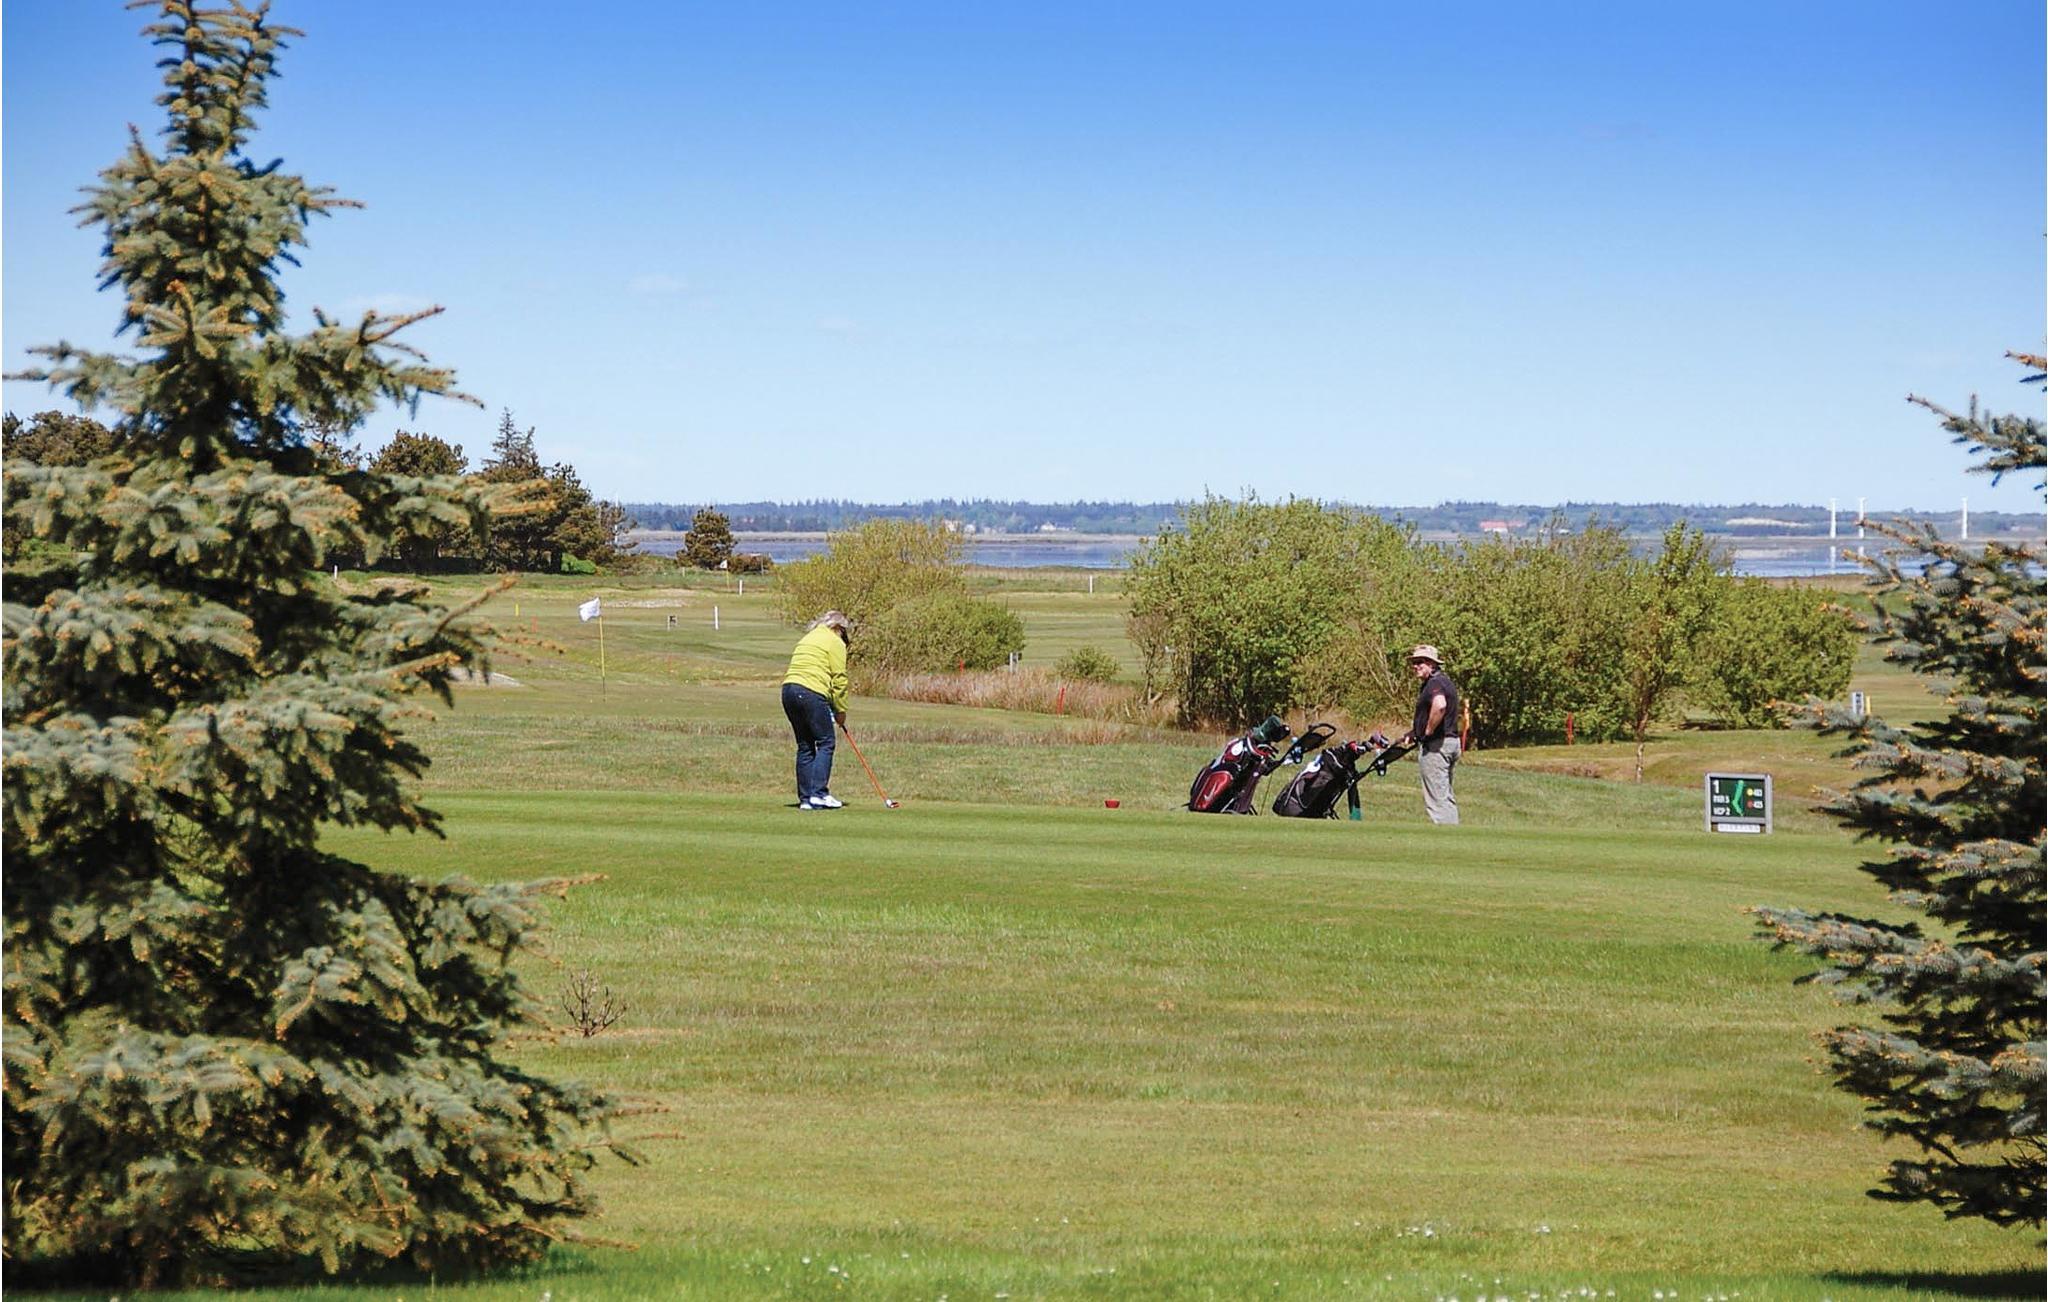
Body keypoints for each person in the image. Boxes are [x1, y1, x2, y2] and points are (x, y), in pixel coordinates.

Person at [781, 611, 851, 810]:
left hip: (788, 691)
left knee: (805, 745)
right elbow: (839, 679)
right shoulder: (834, 642)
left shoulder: (808, 637)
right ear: (838, 628)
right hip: (810, 691)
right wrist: (841, 710)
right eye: (843, 632)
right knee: (826, 742)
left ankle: (806, 799)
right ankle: (819, 793)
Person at [1395, 644, 1461, 825]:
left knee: (1438, 799)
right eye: (1414, 662)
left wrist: (1428, 731)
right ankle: (1454, 833)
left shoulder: (1434, 683)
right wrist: (1414, 733)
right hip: (1450, 742)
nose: (1415, 666)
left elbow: (1440, 705)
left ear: (1432, 664)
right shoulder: (1444, 681)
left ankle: (1446, 836)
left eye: (1420, 662)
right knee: (1445, 795)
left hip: (1437, 746)